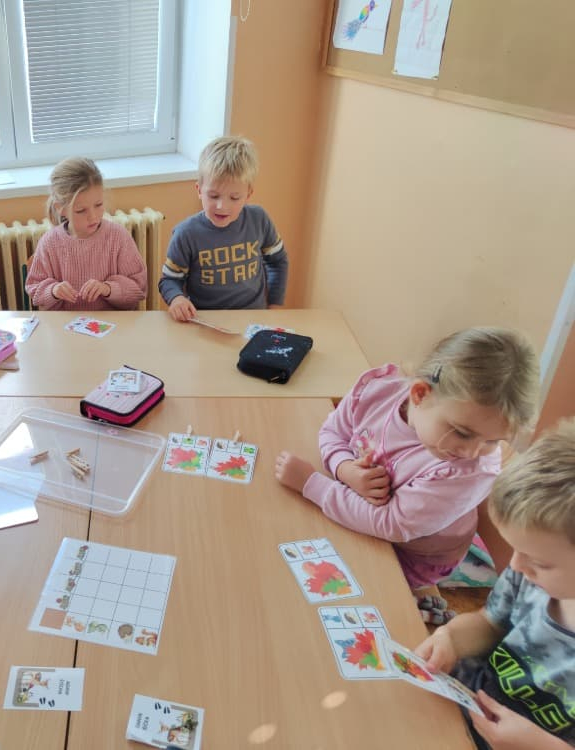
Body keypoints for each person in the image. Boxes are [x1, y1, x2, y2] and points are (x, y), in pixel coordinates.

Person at [273, 327, 539, 623]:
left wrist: (313, 485)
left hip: (414, 555)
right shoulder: (378, 390)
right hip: (362, 512)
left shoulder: (471, 471)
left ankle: (420, 596)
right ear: (420, 393)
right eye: (463, 433)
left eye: (493, 441)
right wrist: (344, 469)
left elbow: (392, 524)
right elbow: (334, 430)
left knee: (321, 602)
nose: (472, 452)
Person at [415, 420, 575, 750]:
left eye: (540, 562)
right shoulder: (527, 575)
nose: (515, 566)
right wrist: (451, 638)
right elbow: (490, 623)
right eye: (515, 549)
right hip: (460, 708)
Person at [159, 135, 288, 322]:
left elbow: (278, 261)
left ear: (248, 194)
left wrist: (275, 305)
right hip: (204, 321)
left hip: (253, 317)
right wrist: (176, 298)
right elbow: (169, 280)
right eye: (213, 196)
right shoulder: (186, 233)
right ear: (199, 190)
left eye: (234, 198)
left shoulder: (259, 219)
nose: (222, 206)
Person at [24, 157, 147, 311]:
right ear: (60, 208)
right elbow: (34, 289)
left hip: (113, 322)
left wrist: (108, 289)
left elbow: (139, 289)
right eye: (81, 210)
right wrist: (53, 291)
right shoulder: (50, 242)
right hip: (65, 323)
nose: (93, 217)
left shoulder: (118, 237)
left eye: (99, 205)